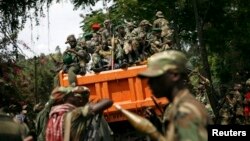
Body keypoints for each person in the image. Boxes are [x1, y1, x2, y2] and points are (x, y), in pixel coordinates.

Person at [138, 50, 209, 141]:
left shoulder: (185, 112)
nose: (149, 83)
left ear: (174, 75)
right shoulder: (176, 108)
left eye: (155, 78)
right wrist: (157, 126)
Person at [40, 86, 112, 141]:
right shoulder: (74, 114)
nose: (75, 97)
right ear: (64, 99)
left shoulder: (51, 116)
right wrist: (99, 102)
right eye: (72, 95)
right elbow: (108, 102)